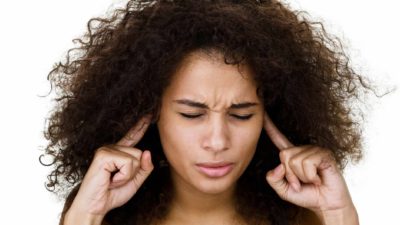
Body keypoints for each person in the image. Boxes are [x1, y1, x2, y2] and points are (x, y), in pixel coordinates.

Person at [42, 0, 373, 224]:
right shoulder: (97, 216)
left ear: (269, 117)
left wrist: (339, 213)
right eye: (191, 114)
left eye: (241, 115)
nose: (217, 141)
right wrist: (85, 217)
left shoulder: (309, 218)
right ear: (150, 112)